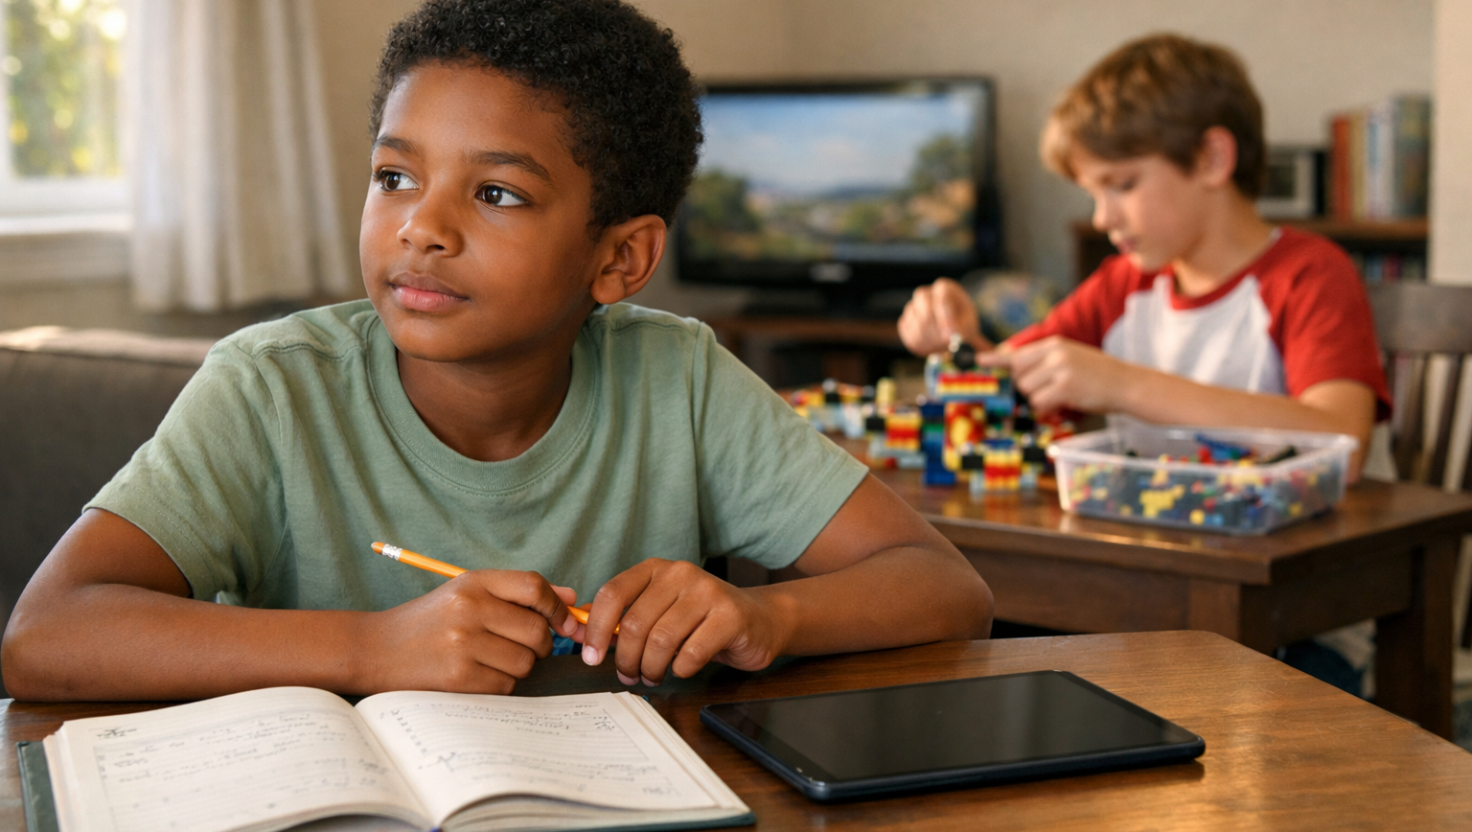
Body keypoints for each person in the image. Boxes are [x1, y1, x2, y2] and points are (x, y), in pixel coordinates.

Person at [2, 0, 992, 702]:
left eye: (497, 193)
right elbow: (47, 635)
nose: (420, 228)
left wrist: (762, 617)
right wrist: (372, 646)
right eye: (394, 175)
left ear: (620, 258)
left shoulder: (678, 377)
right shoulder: (270, 387)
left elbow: (944, 587)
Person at [899, 34, 1389, 479]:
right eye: (1093, 193)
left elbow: (1341, 446)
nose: (1100, 218)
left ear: (1211, 159)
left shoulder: (1309, 274)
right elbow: (1007, 391)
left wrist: (1123, 386)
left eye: (1122, 185)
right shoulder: (1122, 284)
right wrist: (961, 343)